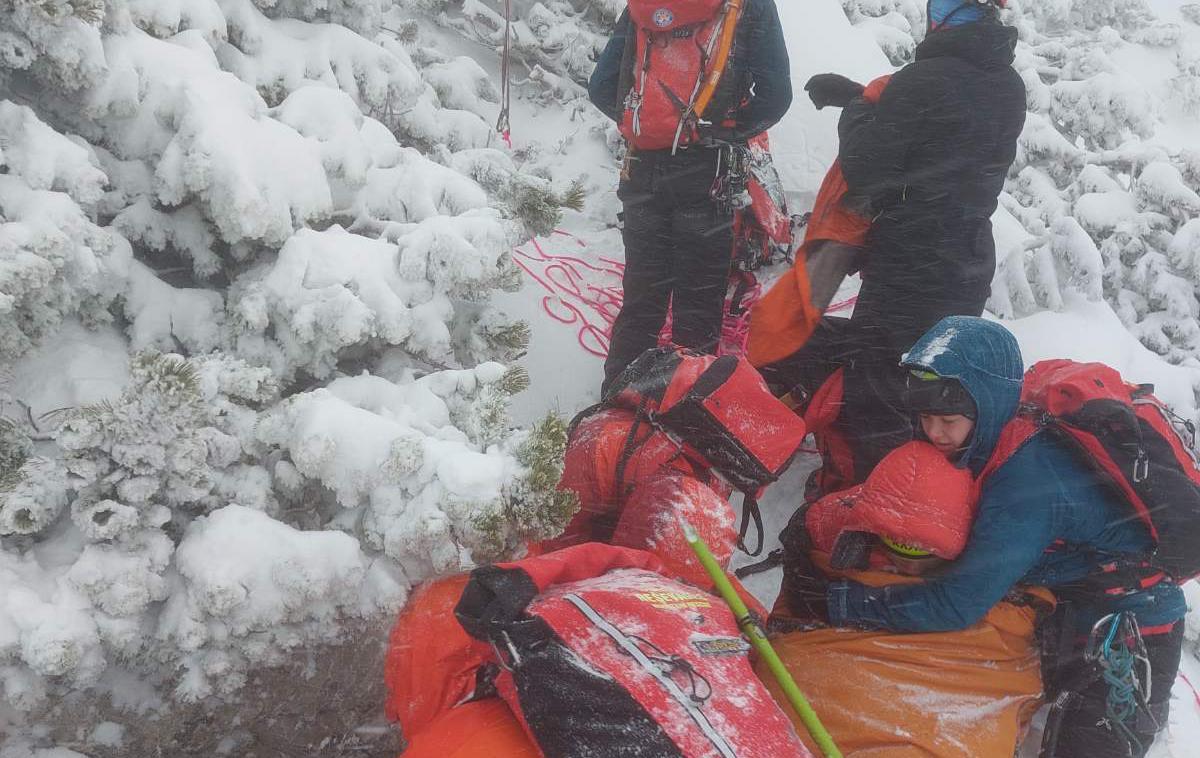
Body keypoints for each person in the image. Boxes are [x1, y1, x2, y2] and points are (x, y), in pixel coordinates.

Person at [786, 316, 1188, 758]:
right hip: (1077, 597)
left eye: (946, 420)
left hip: (1134, 628)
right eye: (924, 417)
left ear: (988, 404)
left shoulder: (1024, 484)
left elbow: (956, 603)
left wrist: (836, 602)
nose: (932, 433)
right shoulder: (994, 432)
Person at [762, 0, 1026, 484]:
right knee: (936, 388)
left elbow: (866, 168)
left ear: (940, 15)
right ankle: (926, 499)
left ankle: (869, 502)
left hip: (911, 257)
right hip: (967, 255)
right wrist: (866, 96)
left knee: (878, 387)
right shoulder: (1008, 85)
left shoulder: (922, 79)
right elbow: (946, 135)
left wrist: (860, 109)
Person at [588, 0, 792, 392]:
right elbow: (776, 95)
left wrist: (647, 129)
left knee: (642, 301)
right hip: (709, 172)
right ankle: (683, 419)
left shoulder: (646, 4)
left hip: (644, 169)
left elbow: (602, 86)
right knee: (697, 310)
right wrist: (726, 129)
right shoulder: (747, 6)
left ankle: (617, 407)